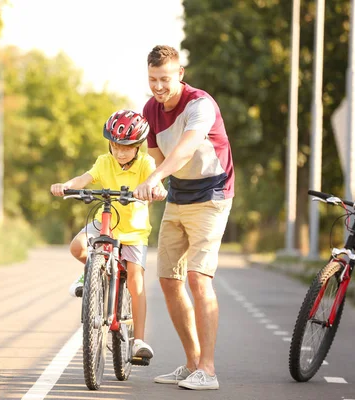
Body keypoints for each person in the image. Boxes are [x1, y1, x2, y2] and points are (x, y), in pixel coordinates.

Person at [133, 45, 234, 390]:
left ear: (180, 75)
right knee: (168, 280)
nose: (158, 86)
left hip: (211, 196)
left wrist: (156, 177)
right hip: (179, 194)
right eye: (152, 79)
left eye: (164, 79)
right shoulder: (150, 108)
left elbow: (185, 149)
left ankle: (208, 369)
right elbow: (157, 157)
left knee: (197, 278)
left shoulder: (200, 105)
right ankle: (192, 364)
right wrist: (156, 183)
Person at [51, 109, 167, 359]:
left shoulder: (146, 163)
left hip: (133, 231)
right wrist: (67, 186)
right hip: (105, 221)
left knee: (136, 282)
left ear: (138, 146)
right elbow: (85, 178)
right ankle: (91, 273)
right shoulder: (105, 161)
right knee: (77, 247)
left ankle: (139, 341)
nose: (120, 152)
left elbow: (156, 183)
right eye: (115, 146)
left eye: (126, 147)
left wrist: (156, 191)